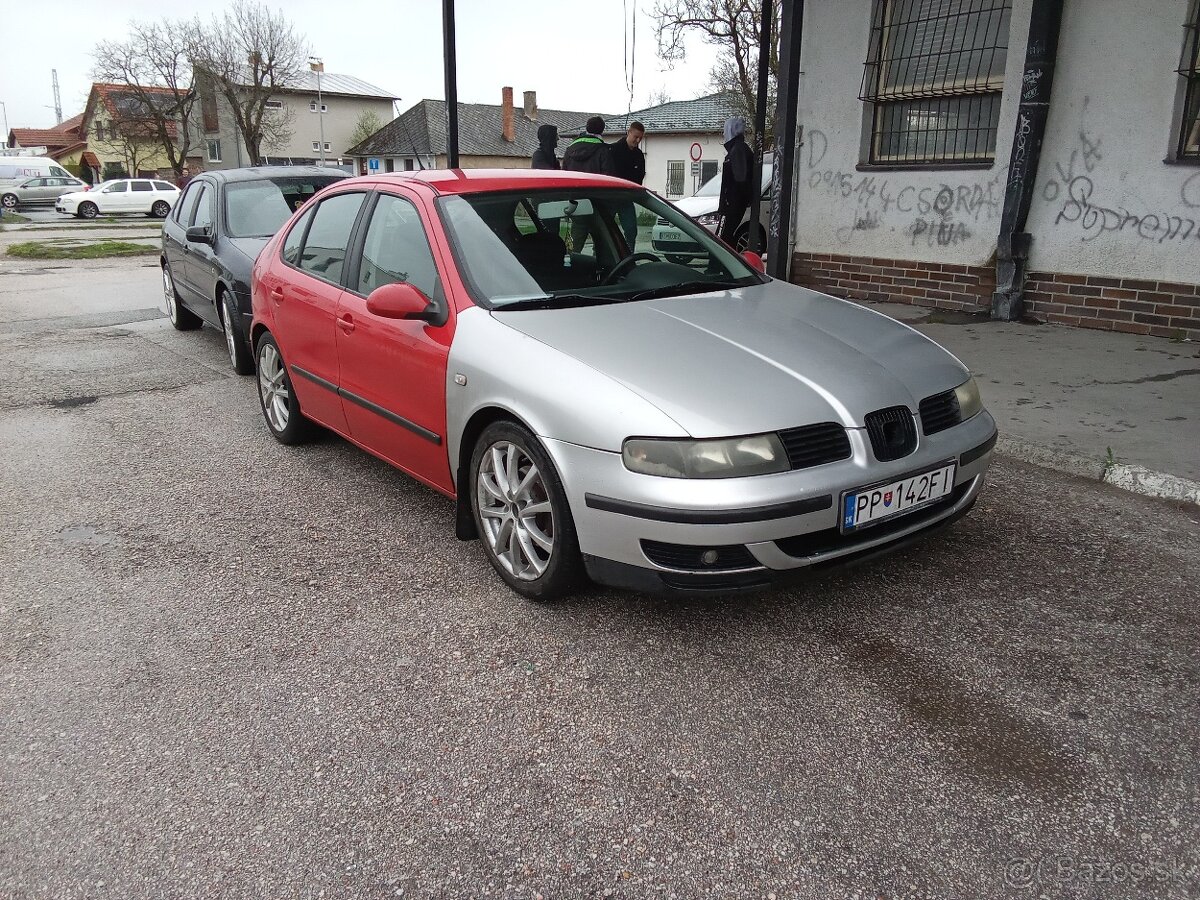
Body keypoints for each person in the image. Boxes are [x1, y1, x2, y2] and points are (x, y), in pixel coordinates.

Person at [717, 116, 754, 247]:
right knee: (725, 237)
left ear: (731, 130)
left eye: (725, 130)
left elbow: (740, 179)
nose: (723, 134)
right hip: (733, 204)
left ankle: (719, 266)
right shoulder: (738, 149)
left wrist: (729, 202)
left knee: (723, 239)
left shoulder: (737, 150)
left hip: (733, 205)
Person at [609, 121, 646, 250]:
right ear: (628, 132)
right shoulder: (613, 150)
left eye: (640, 138)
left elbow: (640, 175)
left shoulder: (639, 155)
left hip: (627, 198)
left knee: (631, 230)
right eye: (636, 136)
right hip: (610, 197)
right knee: (606, 230)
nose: (637, 140)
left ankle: (629, 256)